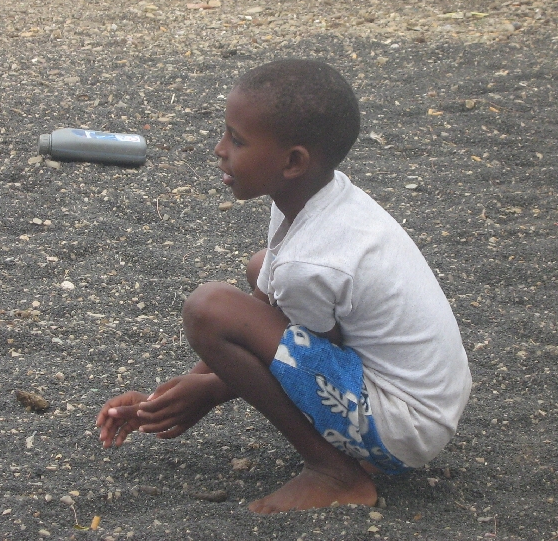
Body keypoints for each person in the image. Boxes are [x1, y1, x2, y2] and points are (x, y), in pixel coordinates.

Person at [96, 59, 471, 513]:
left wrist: (213, 390)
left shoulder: (312, 260)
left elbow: (301, 360)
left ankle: (335, 472)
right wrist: (173, 394)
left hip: (401, 427)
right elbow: (280, 331)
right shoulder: (319, 199)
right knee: (263, 270)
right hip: (422, 406)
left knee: (209, 308)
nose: (219, 149)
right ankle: (339, 463)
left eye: (237, 140)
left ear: (293, 161)